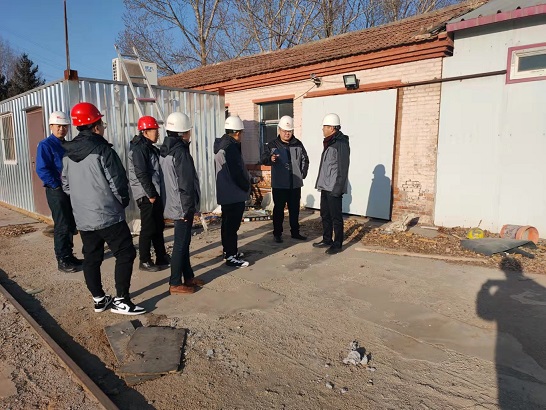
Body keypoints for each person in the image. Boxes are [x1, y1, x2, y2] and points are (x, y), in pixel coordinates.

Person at [62, 102, 145, 315]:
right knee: (125, 253)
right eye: (101, 123)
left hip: (84, 217)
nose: (103, 127)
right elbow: (118, 183)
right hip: (107, 214)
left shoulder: (67, 154)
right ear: (95, 126)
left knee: (92, 257)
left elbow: (66, 185)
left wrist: (83, 203)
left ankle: (99, 299)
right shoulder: (102, 150)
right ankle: (122, 300)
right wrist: (121, 203)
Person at [159, 112, 204, 294]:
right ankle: (175, 282)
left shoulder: (166, 150)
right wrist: (188, 209)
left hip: (173, 202)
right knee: (180, 244)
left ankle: (188, 277)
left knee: (184, 243)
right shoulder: (180, 153)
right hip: (182, 205)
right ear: (183, 133)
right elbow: (185, 184)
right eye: (188, 130)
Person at [36, 111, 82, 273]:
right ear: (51, 126)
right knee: (62, 225)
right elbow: (42, 169)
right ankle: (62, 259)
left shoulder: (67, 145)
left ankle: (69, 255)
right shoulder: (46, 145)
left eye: (64, 126)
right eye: (58, 126)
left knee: (69, 223)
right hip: (56, 191)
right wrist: (56, 186)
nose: (62, 129)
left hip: (69, 190)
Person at [128, 115, 170, 272]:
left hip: (153, 192)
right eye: (154, 130)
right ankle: (144, 260)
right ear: (145, 132)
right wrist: (151, 194)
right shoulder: (139, 149)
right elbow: (141, 173)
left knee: (158, 226)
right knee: (148, 228)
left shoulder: (150, 147)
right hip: (146, 194)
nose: (157, 133)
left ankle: (161, 256)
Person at [261, 115, 309, 243]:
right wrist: (270, 159)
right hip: (279, 185)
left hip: (295, 184)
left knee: (294, 210)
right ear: (279, 130)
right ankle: (277, 233)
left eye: (289, 131)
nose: (287, 133)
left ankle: (295, 232)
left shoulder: (298, 144)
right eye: (284, 131)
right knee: (278, 210)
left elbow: (305, 159)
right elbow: (264, 158)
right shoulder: (272, 145)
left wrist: (302, 174)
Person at [214, 115, 250, 268]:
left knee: (227, 225)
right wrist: (246, 186)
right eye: (241, 133)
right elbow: (236, 173)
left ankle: (228, 251)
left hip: (226, 192)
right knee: (232, 227)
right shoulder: (231, 148)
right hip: (234, 193)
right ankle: (231, 256)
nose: (242, 136)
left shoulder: (222, 145)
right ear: (237, 133)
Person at [312, 113, 350, 255]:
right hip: (325, 186)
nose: (322, 129)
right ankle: (327, 239)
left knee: (336, 218)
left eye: (325, 126)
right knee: (325, 215)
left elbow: (343, 168)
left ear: (332, 128)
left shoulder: (341, 143)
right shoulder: (330, 142)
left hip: (334, 187)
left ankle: (337, 244)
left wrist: (337, 189)